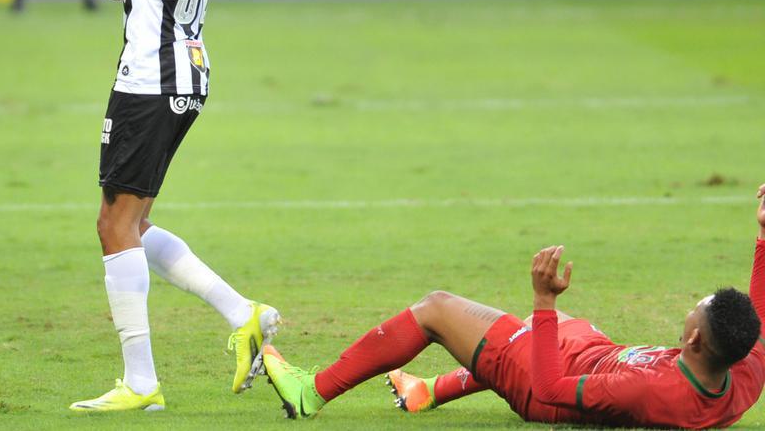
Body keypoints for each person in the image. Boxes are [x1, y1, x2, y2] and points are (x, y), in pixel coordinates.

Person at [59, 0, 279, 412]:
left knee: (113, 228)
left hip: (148, 79)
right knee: (133, 226)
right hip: (188, 74)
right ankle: (243, 313)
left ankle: (141, 383)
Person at [261, 187, 765, 427]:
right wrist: (763, 236)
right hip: (593, 354)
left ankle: (311, 392)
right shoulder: (742, 371)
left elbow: (550, 390)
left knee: (436, 309)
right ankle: (427, 391)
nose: (689, 312)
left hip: (541, 385)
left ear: (695, 338)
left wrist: (544, 300)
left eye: (693, 312)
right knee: (557, 326)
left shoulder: (651, 387)